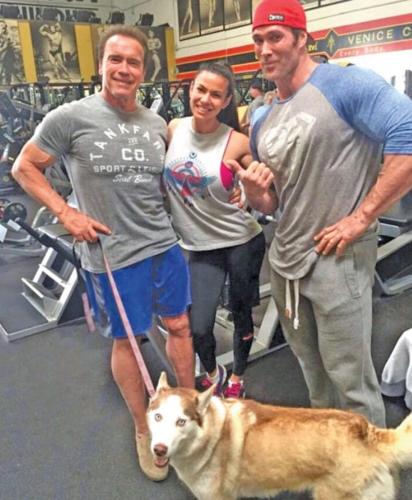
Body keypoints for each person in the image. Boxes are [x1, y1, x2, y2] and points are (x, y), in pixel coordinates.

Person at [12, 25, 194, 481]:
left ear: (143, 71)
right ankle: (143, 427)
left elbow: (168, 183)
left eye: (134, 62)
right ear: (101, 65)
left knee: (179, 326)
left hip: (163, 245)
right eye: (116, 59)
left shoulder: (155, 125)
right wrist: (66, 213)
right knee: (128, 340)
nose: (124, 69)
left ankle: (191, 413)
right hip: (114, 253)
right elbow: (24, 167)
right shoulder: (70, 117)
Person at [230, 0, 412, 426]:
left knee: (351, 384)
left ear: (301, 38)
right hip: (286, 263)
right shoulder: (263, 119)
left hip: (337, 260)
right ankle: (331, 456)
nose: (265, 49)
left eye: (275, 37)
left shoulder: (344, 85)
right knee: (314, 378)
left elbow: (407, 134)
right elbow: (275, 203)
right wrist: (256, 195)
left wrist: (361, 217)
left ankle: (368, 466)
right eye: (258, 40)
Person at [164, 62, 266, 398]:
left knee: (241, 314)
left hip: (241, 241)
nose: (206, 99)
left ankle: (237, 377)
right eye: (201, 90)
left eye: (216, 95)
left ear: (226, 101)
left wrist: (249, 191)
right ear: (191, 89)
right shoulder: (173, 128)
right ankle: (212, 372)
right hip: (199, 246)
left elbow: (258, 182)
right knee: (199, 327)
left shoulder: (236, 141)